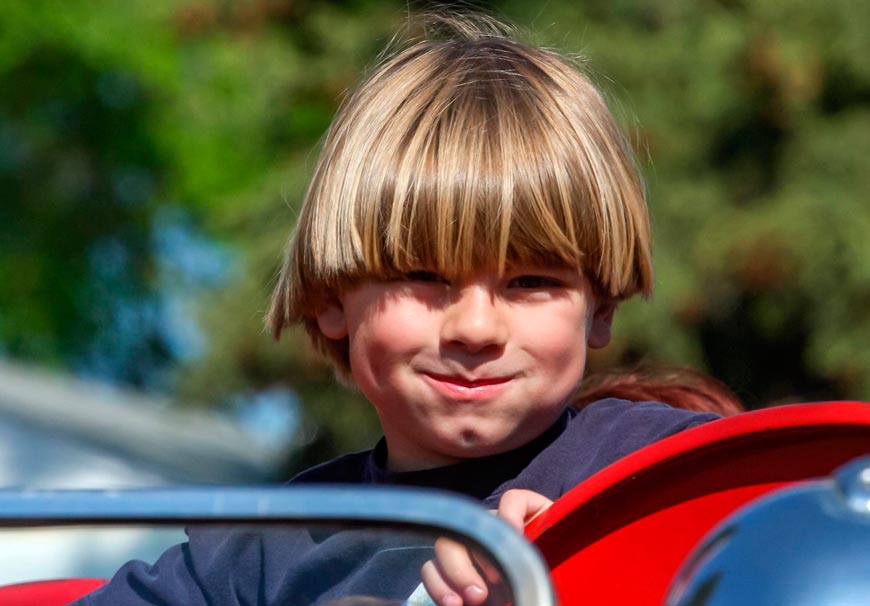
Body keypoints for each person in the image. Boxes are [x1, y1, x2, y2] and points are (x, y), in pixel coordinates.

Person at [75, 13, 723, 606]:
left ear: (600, 308)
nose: (476, 328)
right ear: (332, 300)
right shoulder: (261, 548)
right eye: (424, 278)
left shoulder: (662, 480)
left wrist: (589, 563)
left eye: (528, 282)